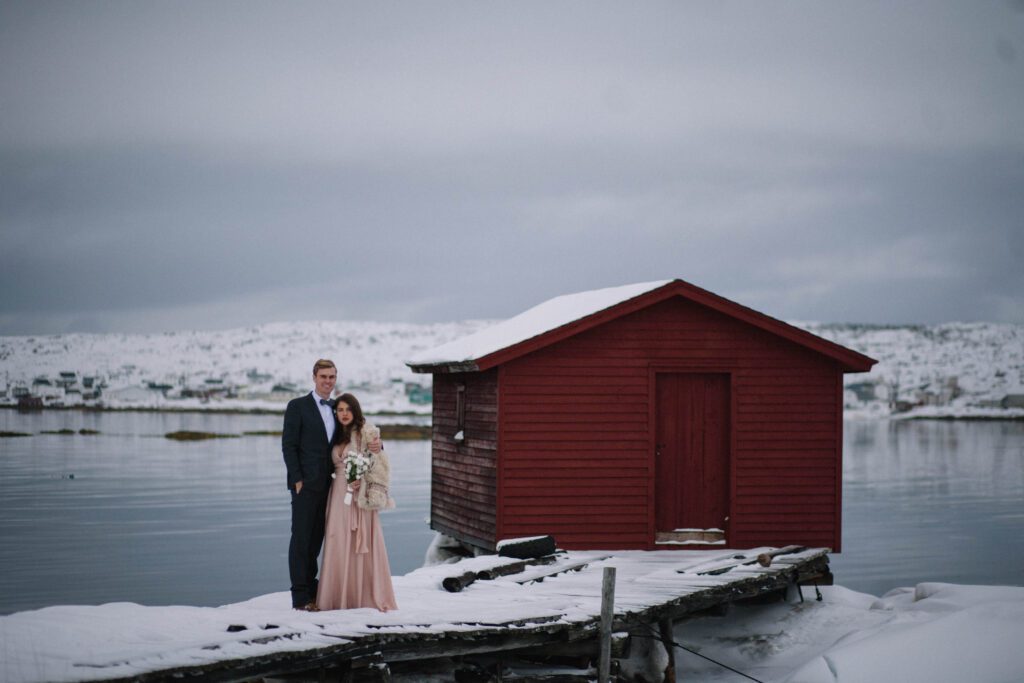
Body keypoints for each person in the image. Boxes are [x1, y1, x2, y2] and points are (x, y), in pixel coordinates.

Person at [282, 360, 382, 611]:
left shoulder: (339, 408)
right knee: (302, 539)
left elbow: (360, 436)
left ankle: (317, 589)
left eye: (332, 376)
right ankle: (301, 597)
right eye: (323, 376)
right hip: (305, 486)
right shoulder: (297, 406)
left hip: (335, 488)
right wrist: (296, 479)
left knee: (322, 540)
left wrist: (378, 446)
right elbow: (289, 445)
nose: (328, 381)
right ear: (314, 377)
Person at [317, 393, 398, 611]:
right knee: (337, 539)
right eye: (340, 410)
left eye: (348, 410)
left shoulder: (366, 433)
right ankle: (335, 598)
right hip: (337, 495)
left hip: (359, 497)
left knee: (360, 544)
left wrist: (379, 448)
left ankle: (363, 597)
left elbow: (379, 463)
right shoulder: (334, 433)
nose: (344, 414)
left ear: (355, 411)